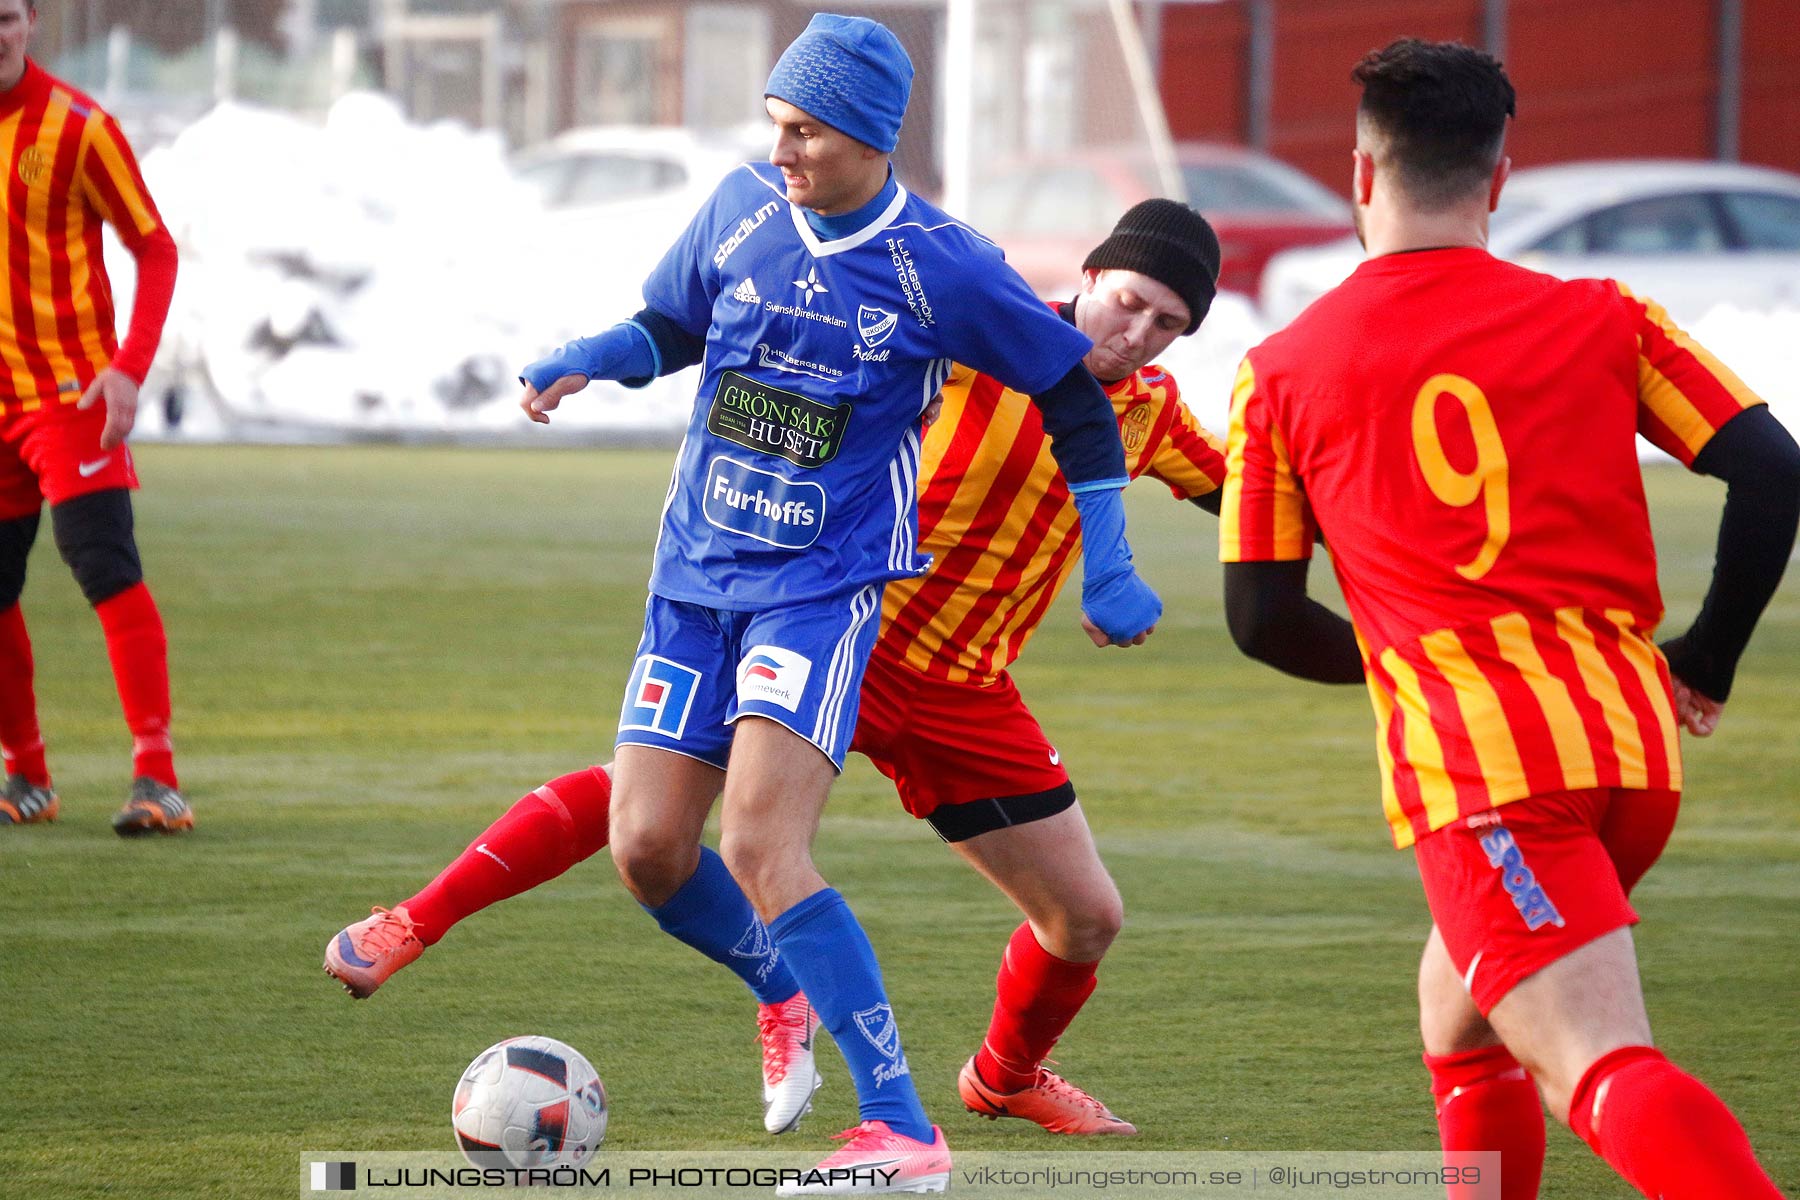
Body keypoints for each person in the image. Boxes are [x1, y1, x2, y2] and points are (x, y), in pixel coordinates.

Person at [359, 15, 1157, 1194]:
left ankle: (900, 1130)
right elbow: (672, 326)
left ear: (871, 137)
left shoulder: (945, 264)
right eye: (775, 124)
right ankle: (783, 989)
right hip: (690, 580)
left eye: (805, 131)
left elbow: (1074, 399)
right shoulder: (739, 207)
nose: (781, 149)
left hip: (817, 592)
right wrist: (593, 352)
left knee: (759, 841)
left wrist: (1108, 554)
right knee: (645, 847)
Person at [1220, 38, 1797, 1200]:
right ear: (1495, 179)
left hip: (1491, 780)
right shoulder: (1605, 314)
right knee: (1463, 1017)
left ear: (1363, 176)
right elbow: (1773, 470)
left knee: (1596, 1066)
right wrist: (1709, 656)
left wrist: (1401, 662)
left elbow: (1261, 616)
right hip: (1630, 751)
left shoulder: (1279, 370)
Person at [0, 0, 187, 835]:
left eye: (5, 15)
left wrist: (128, 367)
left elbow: (154, 245)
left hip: (69, 395)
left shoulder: (77, 127)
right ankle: (26, 776)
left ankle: (157, 777)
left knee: (102, 565)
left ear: (31, 21)